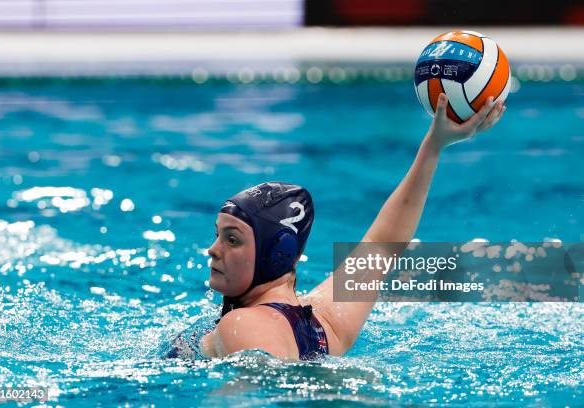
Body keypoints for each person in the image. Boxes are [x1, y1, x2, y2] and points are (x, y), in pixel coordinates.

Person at [178, 93, 505, 360]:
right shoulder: (324, 322)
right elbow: (383, 242)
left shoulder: (241, 325)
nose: (213, 248)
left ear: (275, 254)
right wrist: (435, 145)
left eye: (232, 240)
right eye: (218, 234)